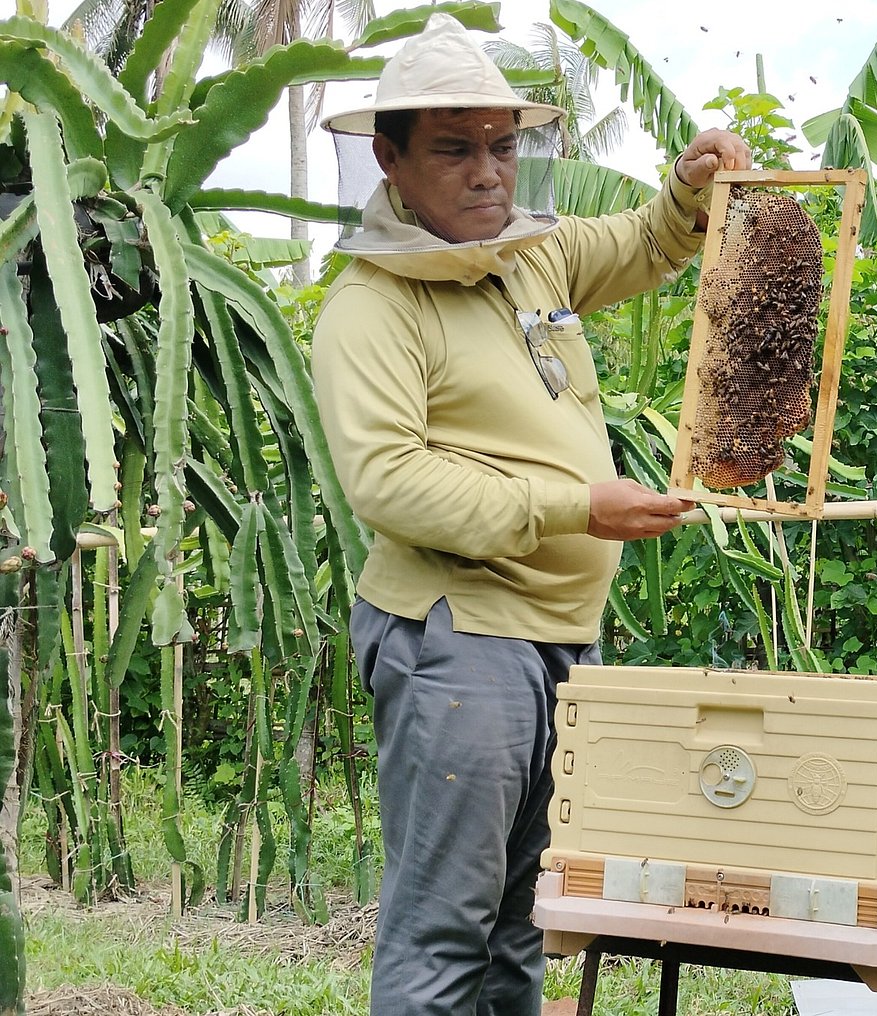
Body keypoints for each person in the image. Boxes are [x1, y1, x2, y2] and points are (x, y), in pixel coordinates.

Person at [312, 14, 751, 1016]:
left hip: (560, 636)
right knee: (445, 931)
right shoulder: (372, 307)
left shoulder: (529, 259)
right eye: (453, 148)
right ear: (388, 158)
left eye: (502, 147)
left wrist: (688, 189)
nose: (487, 173)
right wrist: (575, 506)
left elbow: (644, 242)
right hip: (457, 642)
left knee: (529, 923)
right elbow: (388, 480)